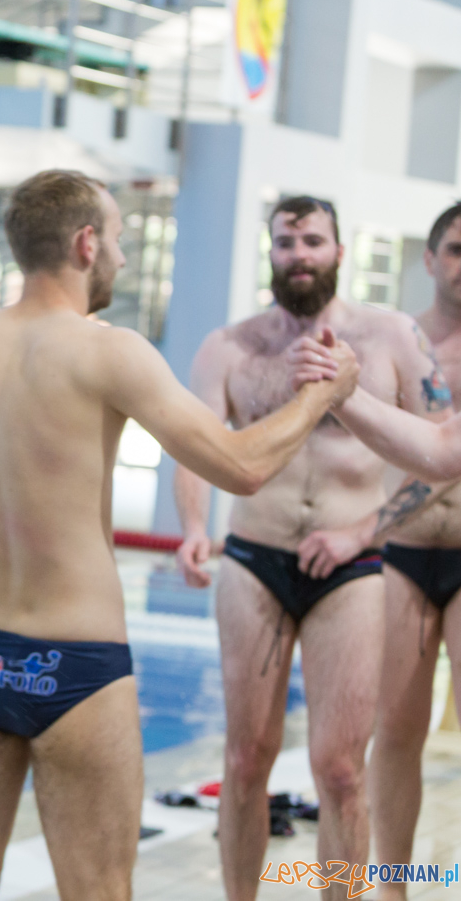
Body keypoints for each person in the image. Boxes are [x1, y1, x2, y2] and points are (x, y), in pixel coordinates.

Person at [0, 171, 359, 901]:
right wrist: (324, 395)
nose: (122, 257)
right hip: (75, 665)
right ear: (86, 243)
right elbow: (242, 465)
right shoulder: (109, 351)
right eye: (117, 239)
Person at [174, 196, 447, 901]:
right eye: (286, 241)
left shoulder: (389, 338)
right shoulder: (229, 347)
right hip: (253, 560)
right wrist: (194, 526)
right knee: (243, 759)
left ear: (340, 251)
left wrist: (366, 529)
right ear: (270, 252)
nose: (299, 254)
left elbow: (440, 451)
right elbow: (194, 445)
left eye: (313, 241)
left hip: (353, 570)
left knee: (341, 769)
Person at [290, 203, 461, 899]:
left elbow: (443, 454)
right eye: (454, 249)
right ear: (429, 258)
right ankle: (392, 884)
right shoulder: (400, 340)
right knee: (396, 730)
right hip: (405, 555)